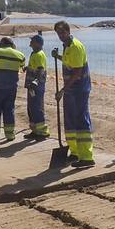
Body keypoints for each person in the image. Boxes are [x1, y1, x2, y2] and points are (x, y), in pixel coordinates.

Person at [54, 20, 94, 167]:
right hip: (71, 90)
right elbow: (69, 62)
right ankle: (75, 152)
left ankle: (87, 157)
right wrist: (58, 56)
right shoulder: (67, 46)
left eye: (63, 32)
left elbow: (77, 73)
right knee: (70, 121)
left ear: (68, 31)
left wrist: (62, 90)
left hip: (79, 89)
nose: (61, 35)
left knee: (80, 121)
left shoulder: (75, 47)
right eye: (58, 33)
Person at [24, 33, 49, 140]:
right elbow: (34, 67)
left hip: (36, 86)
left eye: (32, 41)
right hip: (31, 86)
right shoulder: (34, 53)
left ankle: (42, 132)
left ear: (37, 44)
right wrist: (28, 68)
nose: (30, 44)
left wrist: (36, 81)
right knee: (31, 108)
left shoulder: (39, 54)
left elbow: (40, 70)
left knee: (37, 107)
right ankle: (35, 130)